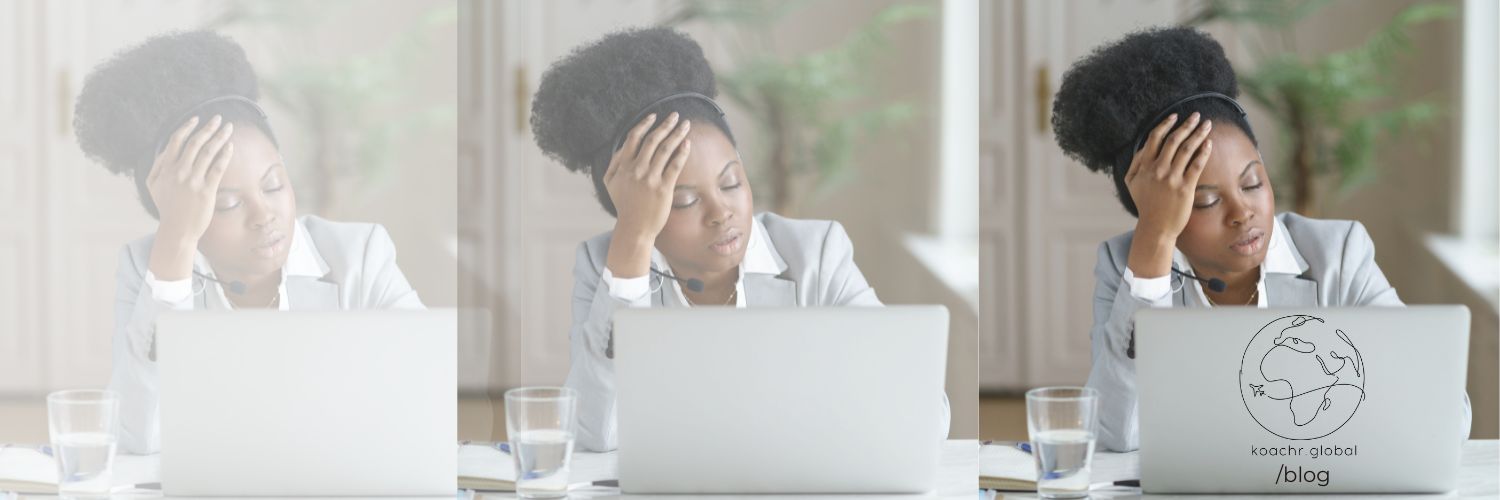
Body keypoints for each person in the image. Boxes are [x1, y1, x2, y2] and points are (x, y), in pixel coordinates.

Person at [1049, 26, 1472, 452]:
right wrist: (1154, 241)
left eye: (1252, 184)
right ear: (1161, 211)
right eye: (1206, 202)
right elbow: (1115, 432)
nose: (1243, 213)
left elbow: (1447, 416)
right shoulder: (1128, 265)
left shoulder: (1339, 255)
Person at [529, 26, 949, 452]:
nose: (722, 214)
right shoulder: (608, 265)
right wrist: (633, 242)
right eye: (685, 201)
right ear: (639, 212)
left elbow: (927, 413)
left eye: (731, 183)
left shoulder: (817, 256)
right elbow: (594, 432)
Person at [74, 30, 424, 454]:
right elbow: (139, 435)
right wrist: (176, 245)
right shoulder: (149, 266)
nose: (265, 216)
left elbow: (422, 394)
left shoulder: (360, 255)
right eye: (228, 203)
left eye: (274, 185)